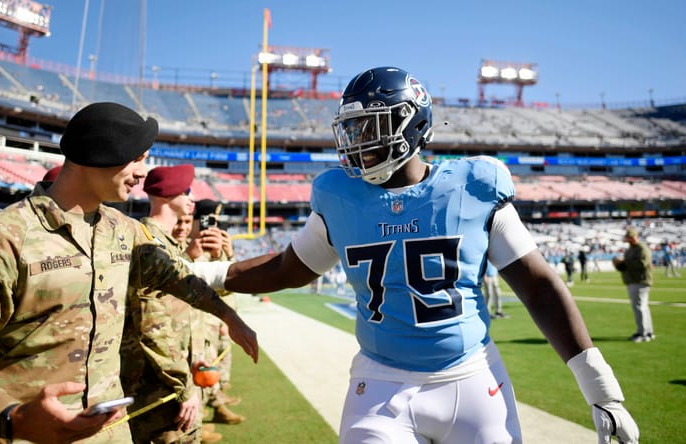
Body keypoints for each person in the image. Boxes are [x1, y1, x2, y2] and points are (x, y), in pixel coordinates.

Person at [222, 67, 638, 443]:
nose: (358, 142)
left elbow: (538, 286)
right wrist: (207, 274)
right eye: (351, 130)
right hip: (380, 382)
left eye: (370, 128)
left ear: (413, 122)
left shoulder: (474, 184)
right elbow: (288, 269)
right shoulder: (339, 195)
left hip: (472, 379)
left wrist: (600, 386)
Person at [0, 102, 258, 444]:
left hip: (109, 433)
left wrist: (228, 315)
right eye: (135, 158)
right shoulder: (2, 241)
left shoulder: (123, 230)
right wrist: (12, 417)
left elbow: (177, 276)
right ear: (100, 153)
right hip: (27, 434)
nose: (141, 173)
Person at [120, 164, 222, 444]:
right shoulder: (151, 247)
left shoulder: (167, 246)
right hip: (159, 390)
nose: (191, 200)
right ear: (166, 195)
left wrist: (196, 356)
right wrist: (185, 387)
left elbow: (181, 316)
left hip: (175, 381)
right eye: (184, 192)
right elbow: (153, 327)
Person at [188, 199, 245, 426]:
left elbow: (228, 283)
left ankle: (213, 406)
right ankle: (203, 417)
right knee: (200, 367)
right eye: (210, 219)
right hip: (199, 317)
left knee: (211, 364)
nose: (214, 225)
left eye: (216, 220)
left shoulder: (215, 243)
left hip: (215, 315)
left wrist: (226, 255)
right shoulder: (189, 243)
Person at [612, 228, 655, 343]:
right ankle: (649, 332)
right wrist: (618, 263)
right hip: (633, 281)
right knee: (643, 307)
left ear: (635, 237)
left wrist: (624, 262)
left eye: (630, 237)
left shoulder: (642, 248)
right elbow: (624, 267)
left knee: (639, 308)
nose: (629, 240)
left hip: (640, 281)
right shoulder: (630, 250)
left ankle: (643, 333)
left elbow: (642, 264)